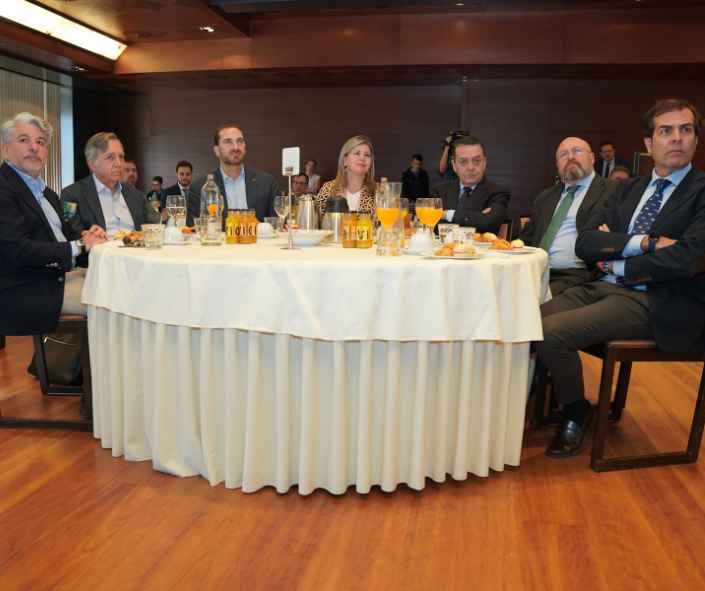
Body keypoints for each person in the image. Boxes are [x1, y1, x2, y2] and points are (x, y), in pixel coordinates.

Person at [536, 98, 705, 459]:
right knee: (527, 324)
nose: (676, 138)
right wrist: (646, 243)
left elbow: (688, 258)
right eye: (665, 131)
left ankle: (575, 412)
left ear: (695, 140)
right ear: (649, 143)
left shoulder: (701, 192)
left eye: (685, 130)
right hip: (600, 286)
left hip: (657, 301)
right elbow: (587, 242)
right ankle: (566, 403)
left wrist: (619, 262)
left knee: (551, 334)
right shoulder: (627, 188)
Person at [0, 112, 105, 336]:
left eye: (40, 142)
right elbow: (18, 250)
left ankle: (73, 369)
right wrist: (78, 245)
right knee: (114, 302)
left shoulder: (48, 194)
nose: (34, 147)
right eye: (24, 140)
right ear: (5, 148)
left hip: (60, 277)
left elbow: (65, 240)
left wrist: (90, 239)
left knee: (123, 286)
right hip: (26, 289)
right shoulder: (4, 189)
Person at [520, 137, 617, 296]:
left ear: (592, 158)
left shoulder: (613, 191)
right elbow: (526, 239)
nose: (571, 157)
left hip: (578, 275)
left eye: (577, 151)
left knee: (528, 303)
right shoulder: (545, 197)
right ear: (557, 165)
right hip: (535, 271)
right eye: (563, 154)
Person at [61, 132, 160, 236]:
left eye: (121, 157)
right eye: (110, 157)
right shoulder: (71, 195)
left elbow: (155, 225)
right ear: (92, 164)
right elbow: (71, 233)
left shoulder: (135, 194)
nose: (119, 163)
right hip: (99, 251)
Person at [191, 125, 278, 222]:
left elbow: (277, 226)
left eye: (240, 141)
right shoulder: (200, 188)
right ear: (216, 151)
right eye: (228, 142)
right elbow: (192, 231)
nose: (236, 147)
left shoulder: (267, 183)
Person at [431, 135, 510, 233]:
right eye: (463, 162)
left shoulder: (498, 193)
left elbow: (488, 223)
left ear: (484, 163)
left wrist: (448, 215)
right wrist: (477, 217)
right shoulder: (439, 191)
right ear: (454, 165)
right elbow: (431, 225)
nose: (470, 167)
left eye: (476, 161)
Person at [316, 135, 376, 215]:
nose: (362, 158)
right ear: (345, 160)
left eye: (367, 155)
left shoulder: (379, 192)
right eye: (357, 153)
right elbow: (316, 223)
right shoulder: (328, 189)